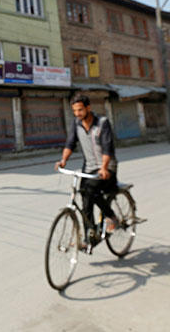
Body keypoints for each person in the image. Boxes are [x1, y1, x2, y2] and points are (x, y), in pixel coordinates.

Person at [55, 93, 118, 244]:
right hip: (88, 169)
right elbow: (70, 144)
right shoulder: (76, 124)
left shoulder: (102, 123)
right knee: (85, 199)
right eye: (75, 111)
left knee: (92, 191)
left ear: (88, 108)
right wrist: (63, 160)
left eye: (80, 110)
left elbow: (107, 149)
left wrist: (104, 168)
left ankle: (111, 217)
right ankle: (89, 235)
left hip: (107, 168)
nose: (77, 114)